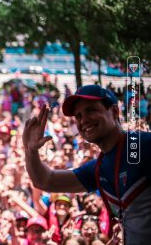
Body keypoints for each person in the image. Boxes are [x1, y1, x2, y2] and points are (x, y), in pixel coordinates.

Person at [23, 84, 151, 245]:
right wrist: (30, 150)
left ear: (114, 111)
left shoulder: (142, 146)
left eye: (91, 110)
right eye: (78, 116)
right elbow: (45, 181)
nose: (84, 120)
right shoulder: (98, 168)